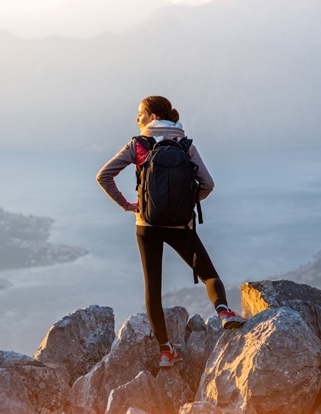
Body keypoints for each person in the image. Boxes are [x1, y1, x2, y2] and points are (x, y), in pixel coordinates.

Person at [96, 95, 246, 367]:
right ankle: (224, 312)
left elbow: (103, 176)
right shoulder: (185, 145)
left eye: (140, 113)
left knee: (152, 288)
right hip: (180, 225)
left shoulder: (138, 145)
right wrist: (185, 201)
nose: (137, 118)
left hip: (147, 225)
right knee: (208, 273)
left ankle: (166, 351)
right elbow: (208, 184)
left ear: (152, 117)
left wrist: (129, 205)